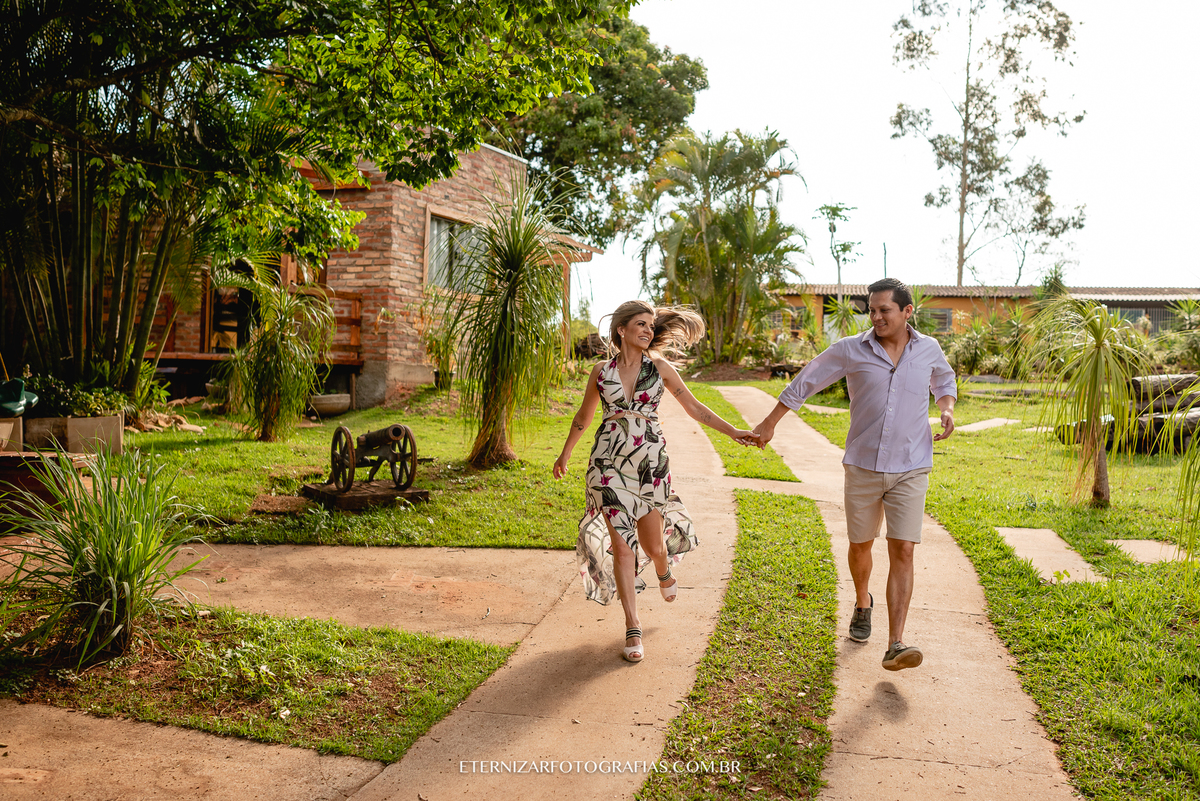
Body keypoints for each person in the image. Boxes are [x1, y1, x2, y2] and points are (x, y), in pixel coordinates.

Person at [751, 278, 957, 671]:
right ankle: (863, 601)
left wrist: (946, 407)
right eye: (872, 310)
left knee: (904, 549)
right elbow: (806, 381)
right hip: (863, 465)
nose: (876, 317)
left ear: (907, 312)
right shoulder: (850, 349)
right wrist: (769, 422)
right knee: (860, 545)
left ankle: (895, 643)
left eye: (884, 310)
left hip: (911, 466)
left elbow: (944, 380)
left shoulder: (928, 348)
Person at [553, 300, 759, 663]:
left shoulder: (660, 368)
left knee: (652, 545)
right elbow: (584, 416)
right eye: (641, 324)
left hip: (649, 463)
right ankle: (632, 625)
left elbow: (695, 408)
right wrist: (565, 454)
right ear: (621, 330)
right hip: (607, 464)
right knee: (622, 548)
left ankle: (663, 569)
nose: (649, 330)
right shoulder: (601, 371)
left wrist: (733, 431)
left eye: (651, 325)